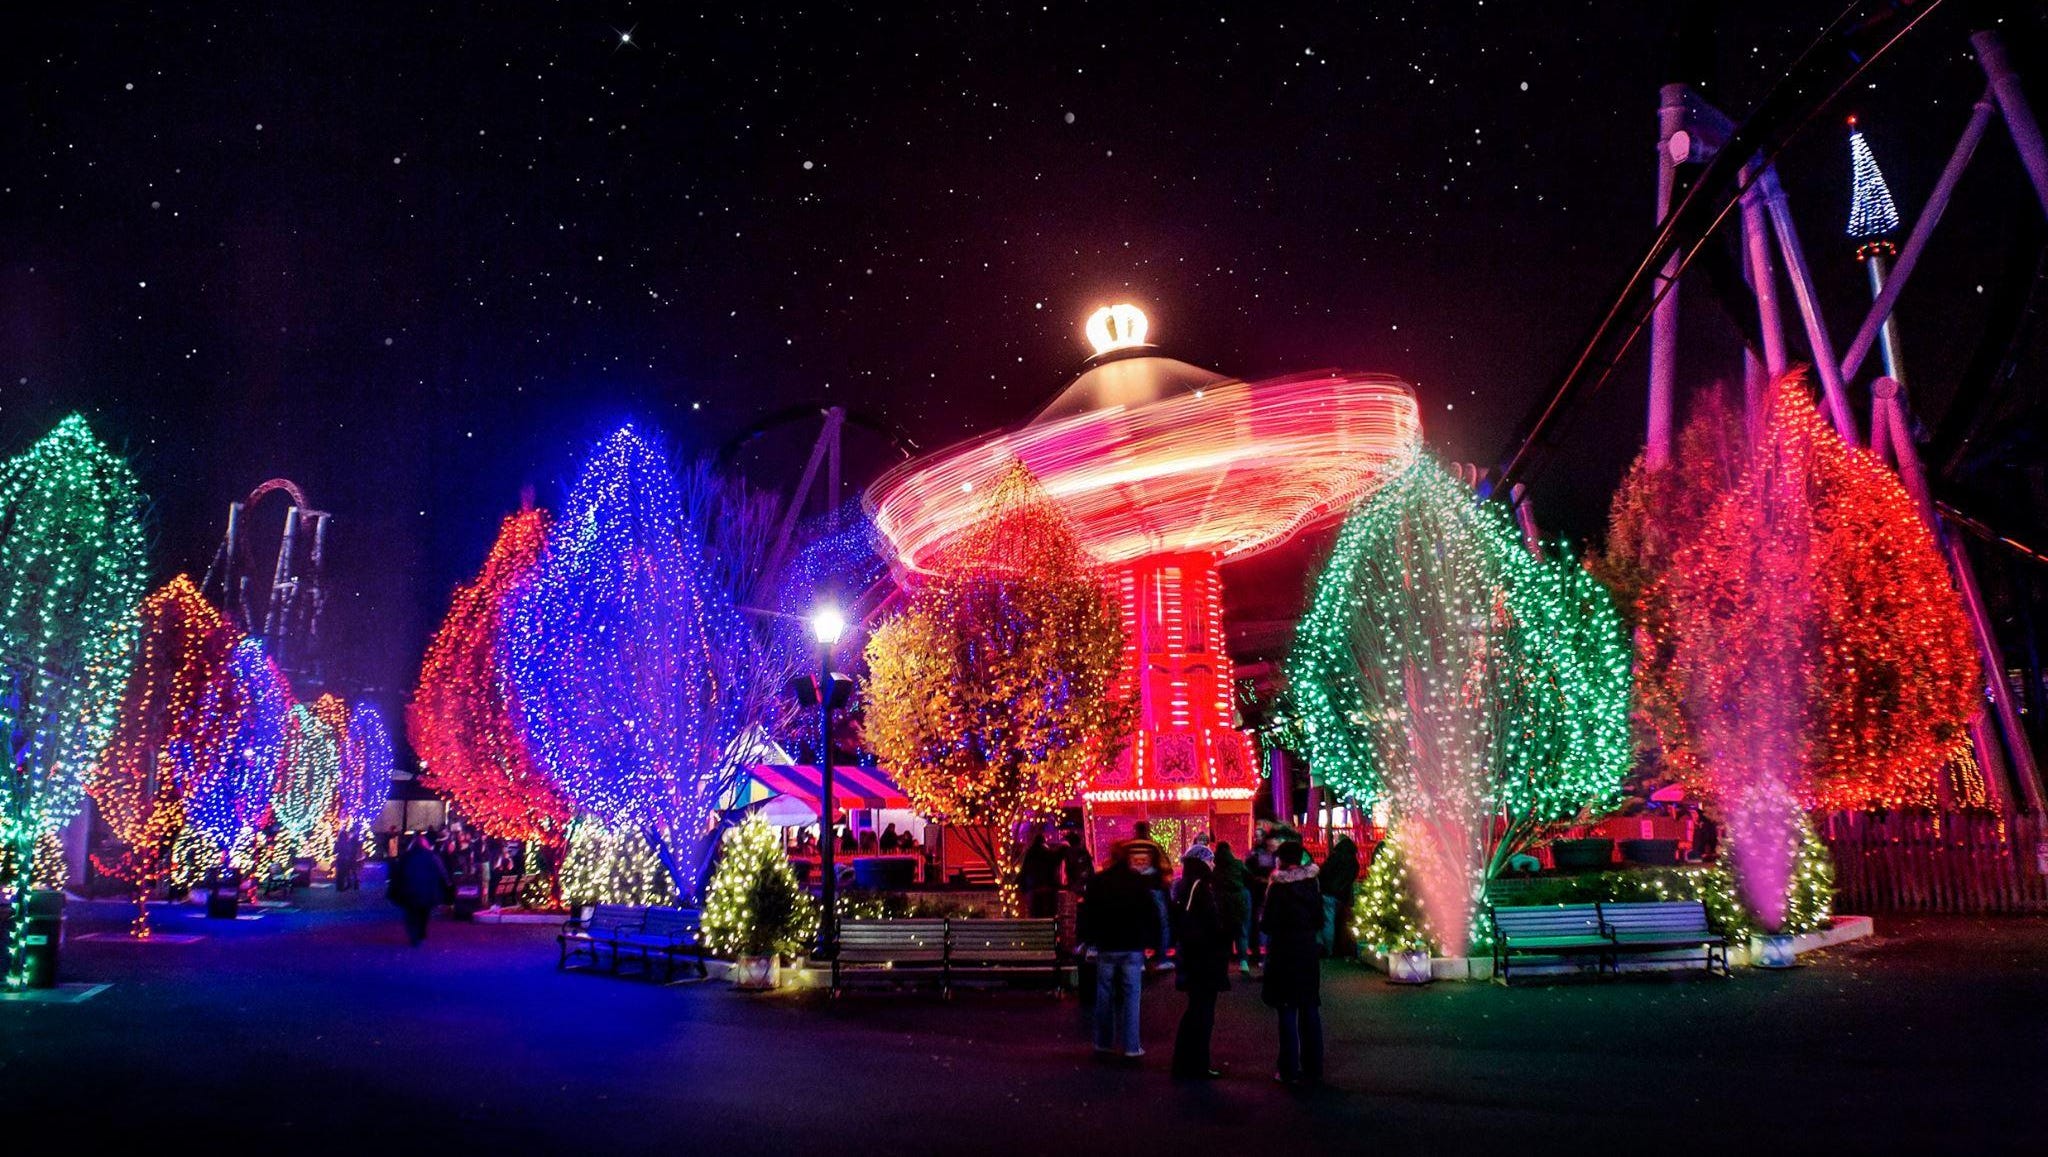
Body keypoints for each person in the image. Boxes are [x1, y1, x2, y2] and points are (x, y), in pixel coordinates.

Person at [1080, 841, 1161, 1060]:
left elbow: (1088, 913)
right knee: (1132, 995)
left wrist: (1088, 940)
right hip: (1133, 945)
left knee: (1104, 993)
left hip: (1107, 945)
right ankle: (1131, 1046)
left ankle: (1103, 1042)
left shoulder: (1099, 882)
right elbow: (1151, 913)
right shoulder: (1137, 881)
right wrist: (1153, 943)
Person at [1262, 840, 1324, 1084]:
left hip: (1283, 951)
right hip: (1307, 950)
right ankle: (1314, 1066)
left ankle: (1288, 1068)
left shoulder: (1277, 887)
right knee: (1309, 1007)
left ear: (1282, 860)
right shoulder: (1312, 884)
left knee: (1287, 1009)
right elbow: (1319, 919)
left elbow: (1267, 923)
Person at [1170, 846, 1230, 1079]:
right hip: (1203, 957)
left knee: (1197, 1010)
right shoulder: (1200, 886)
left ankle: (1188, 1062)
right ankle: (1196, 1064)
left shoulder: (1187, 884)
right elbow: (1205, 921)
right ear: (1202, 861)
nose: (1214, 863)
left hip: (1194, 956)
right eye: (1211, 859)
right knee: (1202, 1011)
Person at [389, 834, 452, 947]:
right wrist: (447, 882)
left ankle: (413, 934)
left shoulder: (406, 856)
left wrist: (395, 887)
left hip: (409, 890)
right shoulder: (432, 856)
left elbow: (397, 873)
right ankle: (421, 933)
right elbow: (441, 870)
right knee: (424, 913)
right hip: (427, 890)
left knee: (411, 912)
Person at [1211, 842, 1252, 974]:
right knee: (1241, 932)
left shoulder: (1215, 867)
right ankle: (1244, 962)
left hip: (1222, 901)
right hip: (1239, 899)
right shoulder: (1238, 864)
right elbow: (1249, 878)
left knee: (1224, 934)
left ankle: (1222, 965)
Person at [1319, 835, 1361, 958]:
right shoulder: (1354, 863)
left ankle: (1328, 950)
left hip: (1328, 893)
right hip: (1343, 896)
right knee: (1343, 923)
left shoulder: (1334, 857)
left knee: (1328, 921)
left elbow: (1324, 872)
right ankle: (1343, 949)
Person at [1244, 826, 1279, 965]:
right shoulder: (1258, 853)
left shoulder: (1260, 854)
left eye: (1259, 835)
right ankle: (1258, 952)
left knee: (1260, 921)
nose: (1256, 838)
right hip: (1258, 890)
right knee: (1257, 922)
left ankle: (1260, 952)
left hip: (1261, 891)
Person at [1020, 830, 1061, 918]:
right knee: (1050, 913)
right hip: (1048, 885)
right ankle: (1051, 928)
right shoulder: (1048, 852)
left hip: (1034, 886)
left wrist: (1023, 887)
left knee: (1036, 912)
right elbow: (1055, 863)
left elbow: (1025, 870)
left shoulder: (1029, 853)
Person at [1061, 828, 1094, 894]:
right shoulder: (1082, 851)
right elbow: (1088, 866)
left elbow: (1069, 868)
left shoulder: (1069, 852)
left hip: (1075, 882)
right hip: (1083, 881)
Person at [332, 827, 363, 892]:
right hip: (346, 859)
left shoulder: (338, 843)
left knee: (340, 873)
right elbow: (350, 850)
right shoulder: (348, 842)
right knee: (347, 873)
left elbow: (334, 852)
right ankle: (349, 885)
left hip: (340, 859)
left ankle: (340, 887)